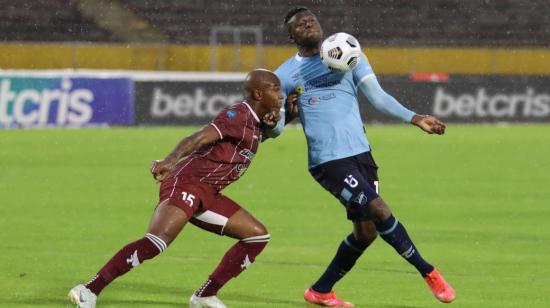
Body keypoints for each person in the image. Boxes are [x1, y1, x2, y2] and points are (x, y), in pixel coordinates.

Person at [267, 7, 456, 307]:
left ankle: (321, 291)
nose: (308, 24)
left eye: (311, 20)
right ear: (291, 36)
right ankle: (428, 271)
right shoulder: (284, 75)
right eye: (300, 25)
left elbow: (377, 96)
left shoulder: (348, 51)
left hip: (361, 155)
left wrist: (414, 117)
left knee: (366, 232)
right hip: (328, 161)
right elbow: (273, 130)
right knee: (380, 209)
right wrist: (285, 116)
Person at [68, 69, 282, 308]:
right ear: (258, 93)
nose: (281, 95)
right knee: (156, 241)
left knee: (257, 236)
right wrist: (170, 160)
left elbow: (273, 124)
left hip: (208, 193)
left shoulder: (256, 122)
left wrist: (277, 119)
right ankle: (88, 290)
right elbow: (198, 138)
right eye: (276, 89)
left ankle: (204, 296)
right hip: (188, 182)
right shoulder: (237, 115)